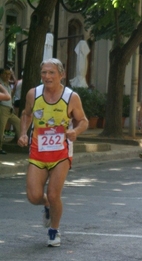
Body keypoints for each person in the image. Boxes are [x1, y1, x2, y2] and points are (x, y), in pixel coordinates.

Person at [17, 58, 88, 247]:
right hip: (37, 152)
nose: (47, 77)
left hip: (61, 154)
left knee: (54, 193)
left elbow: (83, 121)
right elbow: (26, 114)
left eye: (51, 73)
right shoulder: (34, 94)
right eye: (44, 73)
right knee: (33, 196)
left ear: (61, 75)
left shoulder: (71, 97)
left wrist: (75, 131)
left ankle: (54, 230)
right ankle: (47, 204)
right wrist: (23, 133)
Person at [0, 67, 21, 154]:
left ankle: (21, 141)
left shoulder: (8, 84)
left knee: (19, 122)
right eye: (5, 74)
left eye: (9, 74)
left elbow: (15, 82)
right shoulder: (1, 84)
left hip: (10, 109)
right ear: (1, 74)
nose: (8, 76)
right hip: (3, 108)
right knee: (1, 129)